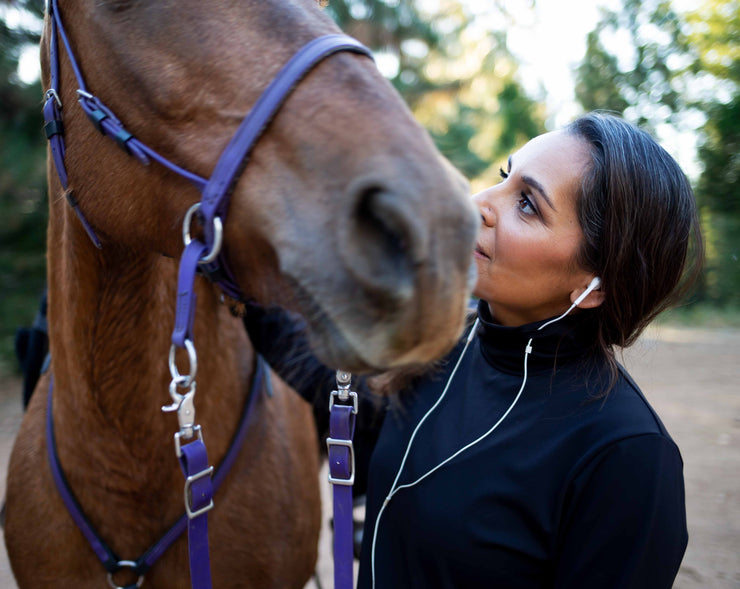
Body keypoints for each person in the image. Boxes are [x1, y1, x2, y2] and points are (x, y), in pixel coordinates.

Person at [242, 111, 702, 588]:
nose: (477, 203)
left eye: (527, 204)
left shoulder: (627, 458)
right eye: (505, 178)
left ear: (592, 285)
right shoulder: (442, 342)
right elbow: (321, 371)